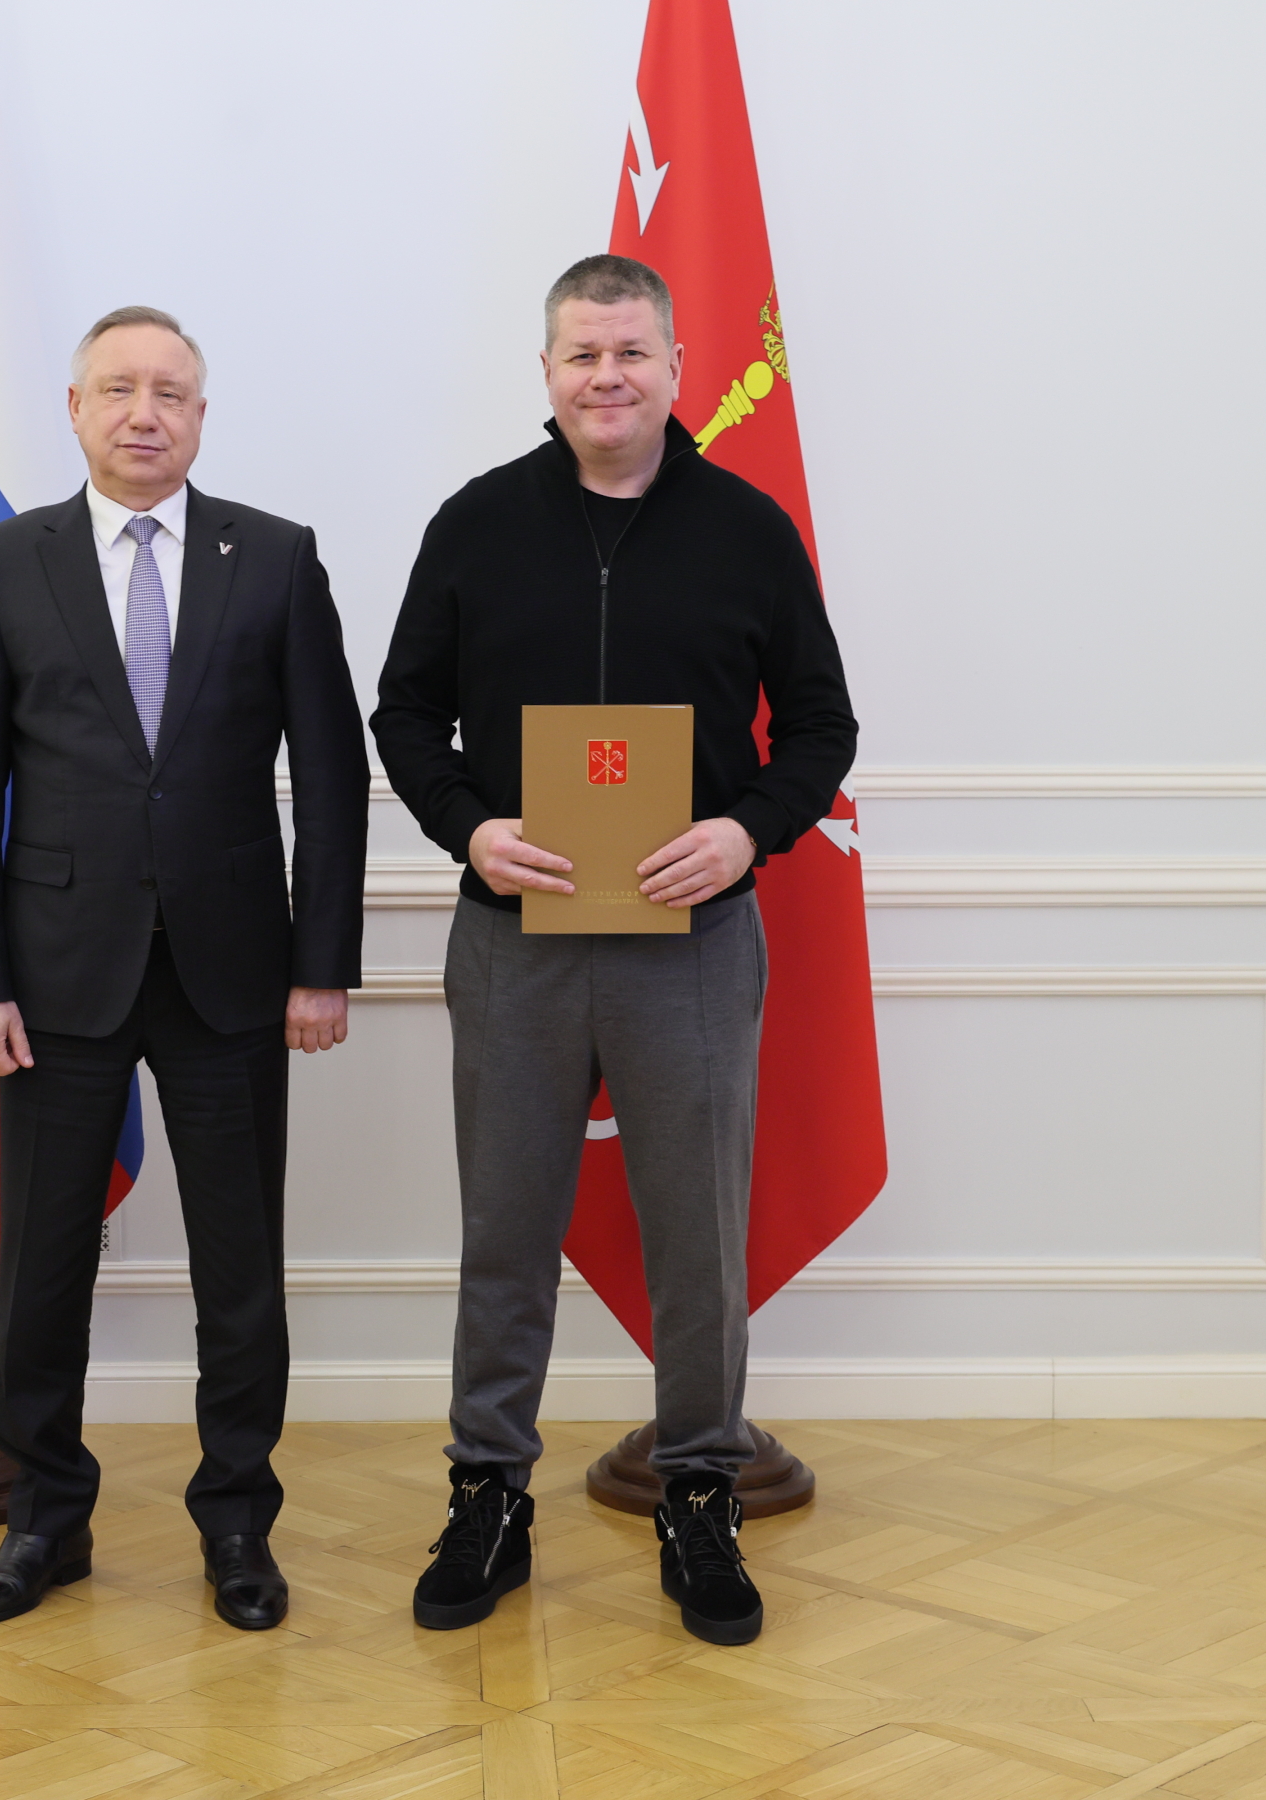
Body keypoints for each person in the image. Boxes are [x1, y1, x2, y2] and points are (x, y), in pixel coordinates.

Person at [371, 255, 858, 1647]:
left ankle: (700, 1493)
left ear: (677, 367)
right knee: (504, 1232)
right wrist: (469, 828)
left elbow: (822, 727)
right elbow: (402, 716)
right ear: (547, 371)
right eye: (582, 354)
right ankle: (488, 1494)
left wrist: (745, 832)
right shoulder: (476, 524)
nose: (607, 377)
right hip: (514, 941)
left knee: (697, 1240)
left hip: (689, 942)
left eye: (632, 352)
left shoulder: (747, 530)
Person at [0, 306, 368, 1631]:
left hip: (234, 973)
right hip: (54, 976)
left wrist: (322, 965)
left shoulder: (276, 557)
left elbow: (331, 774)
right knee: (43, 1265)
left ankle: (237, 1522)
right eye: (117, 388)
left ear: (201, 416)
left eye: (170, 392)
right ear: (74, 409)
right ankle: (44, 1520)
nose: (143, 412)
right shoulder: (3, 563)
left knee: (240, 1267)